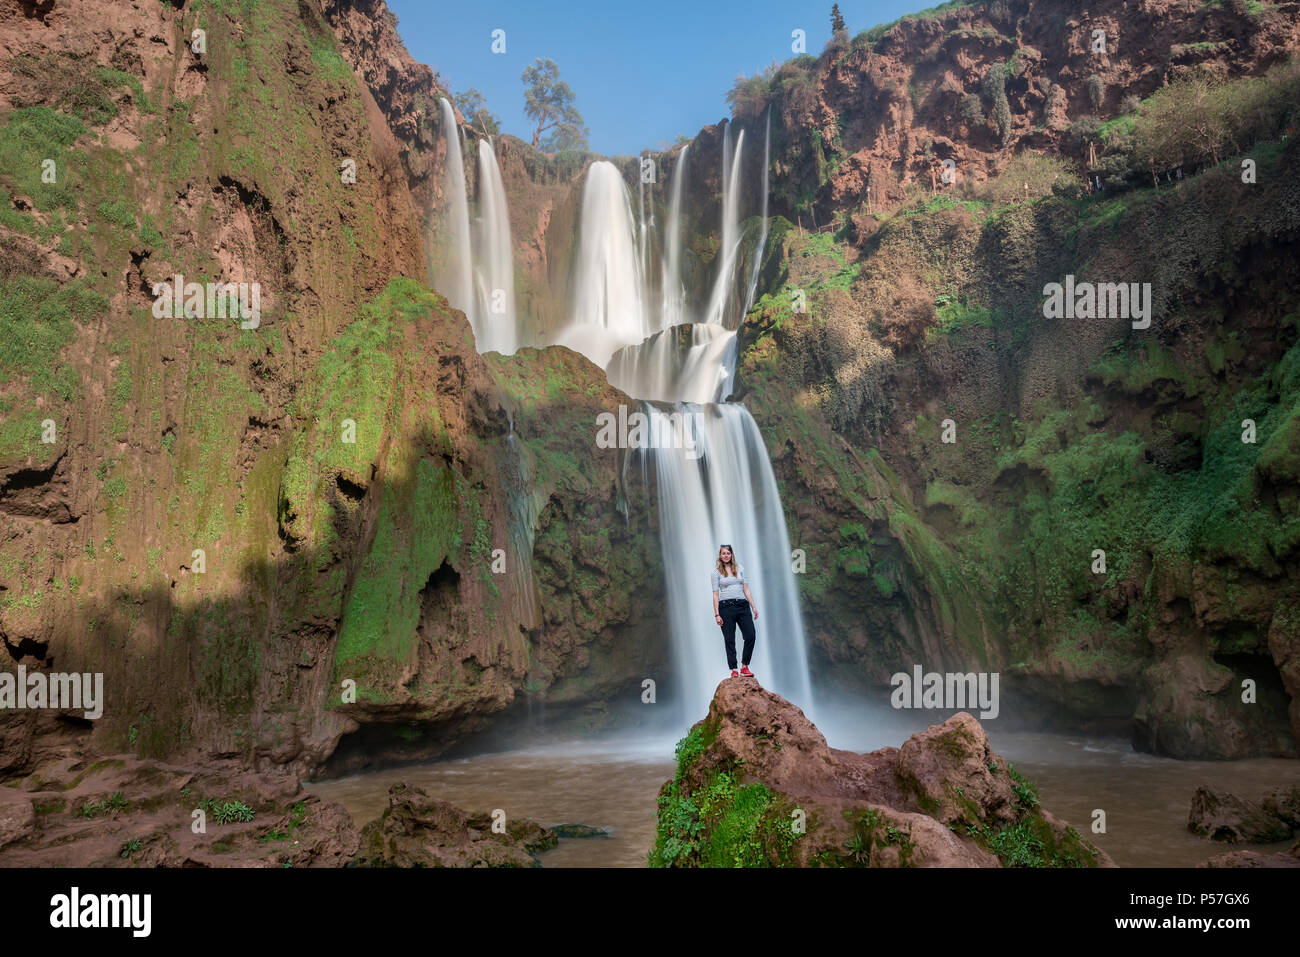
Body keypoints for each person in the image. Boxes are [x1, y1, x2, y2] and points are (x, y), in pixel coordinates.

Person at [710, 544, 759, 679]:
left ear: (732, 555)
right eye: (723, 553)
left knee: (750, 635)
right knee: (729, 639)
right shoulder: (716, 573)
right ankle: (733, 669)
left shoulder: (740, 568)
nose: (726, 555)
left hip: (743, 605)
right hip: (725, 607)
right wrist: (717, 614)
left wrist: (753, 607)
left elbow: (746, 589)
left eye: (728, 553)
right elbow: (715, 594)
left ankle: (745, 666)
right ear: (720, 556)